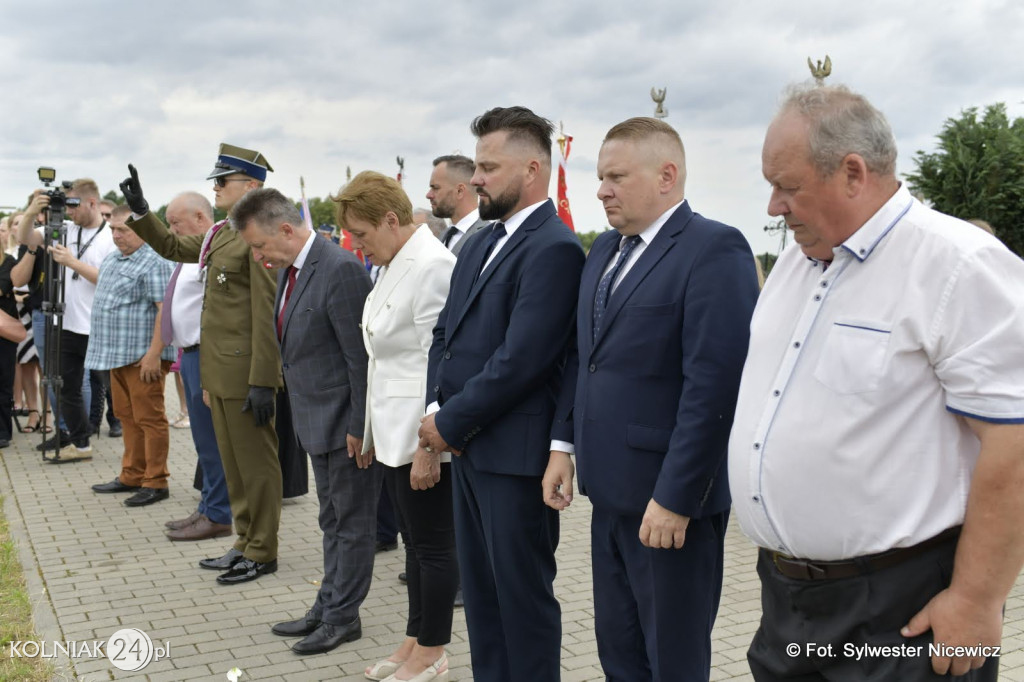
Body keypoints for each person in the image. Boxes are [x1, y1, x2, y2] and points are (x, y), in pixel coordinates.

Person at [729, 83, 1024, 681]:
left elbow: (1015, 444)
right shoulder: (796, 263)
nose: (772, 207)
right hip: (787, 603)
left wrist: (975, 599)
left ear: (853, 173)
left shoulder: (956, 265)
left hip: (898, 611)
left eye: (787, 186)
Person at [544, 117, 758, 680]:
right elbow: (583, 360)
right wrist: (563, 444)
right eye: (599, 176)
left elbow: (714, 388)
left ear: (667, 175)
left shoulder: (714, 249)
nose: (601, 190)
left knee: (673, 660)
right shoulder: (604, 253)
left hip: (667, 507)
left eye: (616, 176)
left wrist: (677, 498)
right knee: (620, 652)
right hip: (607, 497)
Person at [418, 105, 585, 682]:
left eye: (489, 166)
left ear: (533, 169)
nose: (477, 179)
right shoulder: (479, 241)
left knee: (522, 603)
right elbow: (447, 334)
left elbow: (523, 361)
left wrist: (448, 423)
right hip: (469, 449)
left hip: (514, 459)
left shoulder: (554, 248)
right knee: (484, 602)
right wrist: (438, 410)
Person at [120, 143, 283, 585]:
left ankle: (263, 550)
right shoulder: (224, 232)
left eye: (223, 180)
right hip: (219, 369)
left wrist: (264, 380)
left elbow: (266, 312)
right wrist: (141, 210)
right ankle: (245, 541)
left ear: (251, 185)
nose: (215, 187)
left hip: (245, 370)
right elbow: (173, 244)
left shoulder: (262, 232)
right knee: (232, 462)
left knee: (257, 465)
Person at [229, 187, 375, 653]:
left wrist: (360, 427)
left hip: (344, 427)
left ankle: (343, 617)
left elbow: (360, 361)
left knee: (350, 524)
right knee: (331, 520)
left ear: (287, 229)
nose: (258, 256)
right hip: (317, 421)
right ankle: (327, 604)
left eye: (260, 246)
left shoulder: (340, 269)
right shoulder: (293, 270)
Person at [331, 171, 458, 681]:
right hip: (390, 430)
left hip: (420, 433)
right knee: (412, 541)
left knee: (431, 544)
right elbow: (379, 360)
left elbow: (442, 359)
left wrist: (430, 442)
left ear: (390, 219)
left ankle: (434, 651)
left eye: (361, 234)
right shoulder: (392, 262)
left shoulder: (433, 265)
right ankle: (413, 640)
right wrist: (367, 427)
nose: (357, 246)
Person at [16, 179, 118, 461]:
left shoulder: (111, 236)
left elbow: (108, 280)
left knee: (116, 391)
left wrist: (72, 262)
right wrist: (30, 211)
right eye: (67, 205)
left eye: (74, 205)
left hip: (99, 328)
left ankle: (131, 444)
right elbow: (25, 238)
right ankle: (80, 444)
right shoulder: (64, 230)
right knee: (66, 388)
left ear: (93, 203)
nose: (70, 212)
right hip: (67, 325)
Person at [87, 205, 175, 506]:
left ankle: (156, 481)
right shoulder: (113, 259)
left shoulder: (155, 261)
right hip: (116, 356)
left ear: (142, 230)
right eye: (112, 229)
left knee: (150, 419)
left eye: (123, 229)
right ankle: (132, 474)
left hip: (142, 357)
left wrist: (154, 354)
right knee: (127, 416)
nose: (116, 235)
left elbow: (165, 311)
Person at [160, 192, 233, 542]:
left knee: (213, 442)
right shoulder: (192, 254)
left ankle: (219, 513)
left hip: (207, 354)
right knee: (203, 442)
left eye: (176, 223)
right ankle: (208, 506)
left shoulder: (214, 253)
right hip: (189, 354)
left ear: (202, 219)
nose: (170, 230)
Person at [426, 155, 488, 256]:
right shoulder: (442, 237)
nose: (428, 195)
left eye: (435, 188)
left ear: (460, 191)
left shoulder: (488, 238)